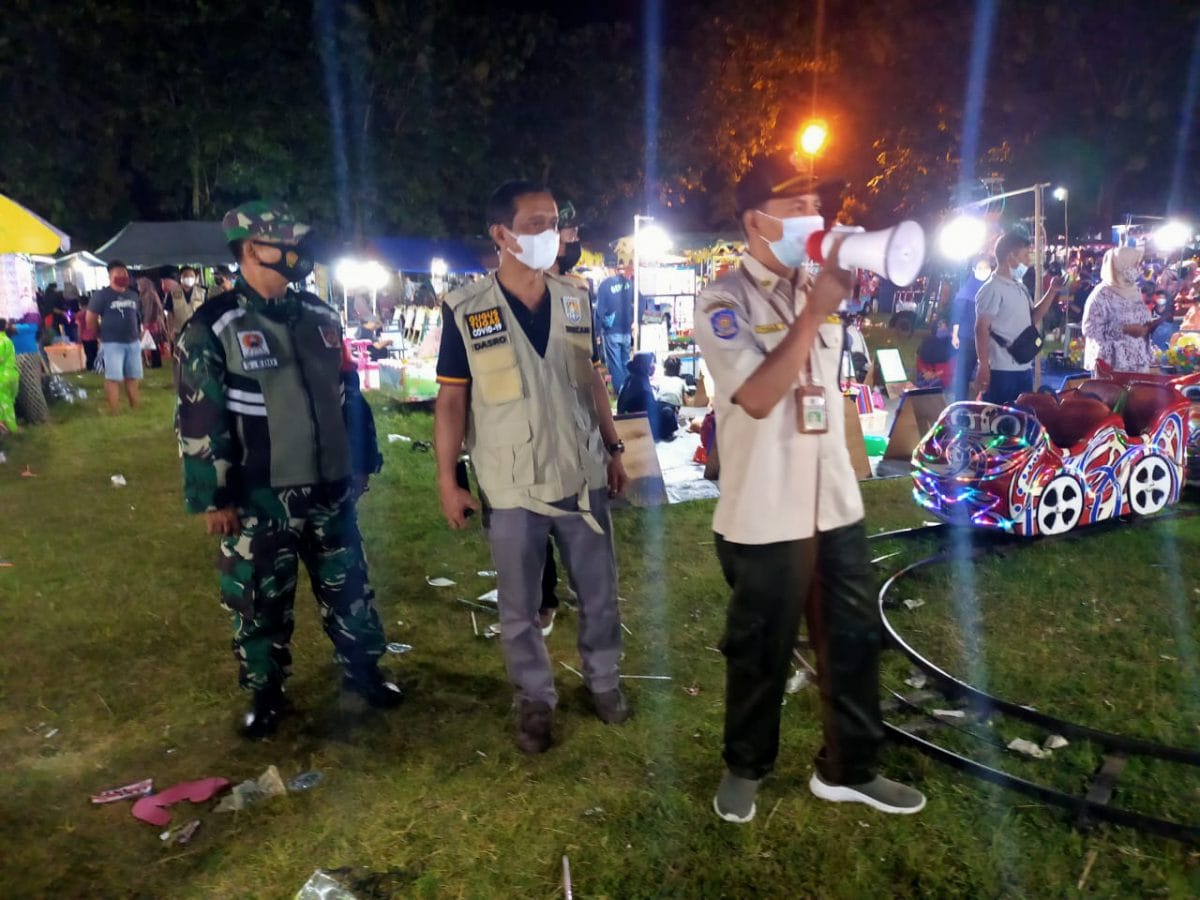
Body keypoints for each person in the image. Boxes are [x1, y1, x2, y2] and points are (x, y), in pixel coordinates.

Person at [693, 152, 926, 824]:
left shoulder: (816, 286)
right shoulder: (724, 301)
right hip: (766, 509)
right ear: (755, 221)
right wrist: (814, 311)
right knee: (760, 647)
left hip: (834, 499)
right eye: (795, 206)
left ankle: (851, 768)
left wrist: (822, 300)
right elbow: (759, 396)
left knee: (853, 637)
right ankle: (745, 767)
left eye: (816, 205)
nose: (813, 217)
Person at [175, 201, 402, 740]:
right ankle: (265, 691)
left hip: (329, 486)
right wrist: (215, 498)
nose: (297, 253)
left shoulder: (320, 316)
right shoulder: (214, 325)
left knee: (349, 584)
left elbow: (348, 394)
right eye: (286, 244)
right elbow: (199, 415)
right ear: (251, 249)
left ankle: (364, 670)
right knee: (258, 598)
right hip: (260, 496)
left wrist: (361, 459)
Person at [434, 180, 630, 754]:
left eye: (555, 221)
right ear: (502, 234)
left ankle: (604, 681)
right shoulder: (466, 310)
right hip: (511, 482)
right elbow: (451, 401)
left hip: (582, 475)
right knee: (520, 607)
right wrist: (448, 481)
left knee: (599, 594)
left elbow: (593, 379)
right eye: (537, 223)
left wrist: (615, 447)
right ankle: (535, 700)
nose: (553, 233)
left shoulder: (575, 298)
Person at [974, 232, 1064, 404]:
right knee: (1000, 416)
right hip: (1001, 370)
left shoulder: (1020, 287)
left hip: (1023, 366)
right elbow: (981, 328)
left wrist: (1052, 291)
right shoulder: (992, 289)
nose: (1028, 261)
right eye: (1025, 255)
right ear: (1011, 257)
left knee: (1022, 415)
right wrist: (983, 365)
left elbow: (1032, 318)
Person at [1081, 245, 1157, 373]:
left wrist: (1148, 325)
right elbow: (1090, 329)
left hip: (1137, 363)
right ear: (1120, 266)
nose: (1138, 269)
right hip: (1111, 365)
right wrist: (1124, 329)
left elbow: (1140, 318)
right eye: (1134, 264)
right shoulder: (1101, 294)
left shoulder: (1134, 291)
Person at [88, 260, 144, 413]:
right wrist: (98, 334)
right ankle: (114, 410)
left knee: (133, 376)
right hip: (112, 343)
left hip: (133, 342)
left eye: (124, 273)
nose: (122, 276)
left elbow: (137, 316)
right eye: (118, 273)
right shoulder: (101, 296)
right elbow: (91, 318)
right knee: (113, 378)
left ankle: (135, 408)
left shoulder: (133, 295)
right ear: (110, 276)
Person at [950, 255, 992, 400]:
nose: (984, 270)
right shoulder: (967, 290)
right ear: (974, 269)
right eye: (980, 268)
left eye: (986, 267)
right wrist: (955, 335)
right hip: (968, 337)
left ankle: (984, 403)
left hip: (987, 338)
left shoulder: (992, 288)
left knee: (988, 373)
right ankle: (959, 403)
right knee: (963, 373)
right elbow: (958, 313)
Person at [616, 351, 678, 441]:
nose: (653, 366)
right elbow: (652, 409)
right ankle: (665, 434)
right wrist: (669, 407)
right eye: (651, 363)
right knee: (668, 412)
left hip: (628, 418)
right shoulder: (642, 384)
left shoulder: (632, 378)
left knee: (667, 406)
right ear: (644, 365)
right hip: (639, 423)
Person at [596, 272, 635, 394]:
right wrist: (635, 320)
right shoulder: (630, 284)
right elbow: (642, 300)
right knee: (626, 363)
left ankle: (621, 395)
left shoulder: (605, 285)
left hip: (611, 332)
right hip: (626, 331)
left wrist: (596, 332)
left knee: (615, 366)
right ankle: (629, 392)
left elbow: (599, 312)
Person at [165, 265, 207, 344]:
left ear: (195, 278)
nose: (189, 278)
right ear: (180, 278)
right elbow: (169, 314)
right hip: (179, 332)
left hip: (198, 332)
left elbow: (207, 312)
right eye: (186, 276)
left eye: (191, 276)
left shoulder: (202, 292)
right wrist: (170, 330)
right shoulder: (172, 293)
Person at [136, 277, 167, 369]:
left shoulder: (148, 295)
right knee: (153, 343)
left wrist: (145, 322)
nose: (138, 287)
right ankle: (155, 362)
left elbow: (148, 310)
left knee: (153, 343)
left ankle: (155, 363)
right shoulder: (150, 294)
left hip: (150, 322)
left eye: (139, 285)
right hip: (153, 322)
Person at [0, 319, 18, 436]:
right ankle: (10, 428)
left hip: (2, 378)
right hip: (12, 375)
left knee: (3, 404)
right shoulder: (8, 340)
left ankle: (8, 430)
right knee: (8, 403)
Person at [77, 297, 100, 370]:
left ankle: (90, 367)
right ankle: (96, 366)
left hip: (85, 337)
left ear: (80, 304)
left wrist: (79, 337)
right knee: (95, 352)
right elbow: (96, 324)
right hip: (93, 336)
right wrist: (98, 333)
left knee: (88, 354)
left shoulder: (79, 314)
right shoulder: (93, 312)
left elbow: (80, 327)